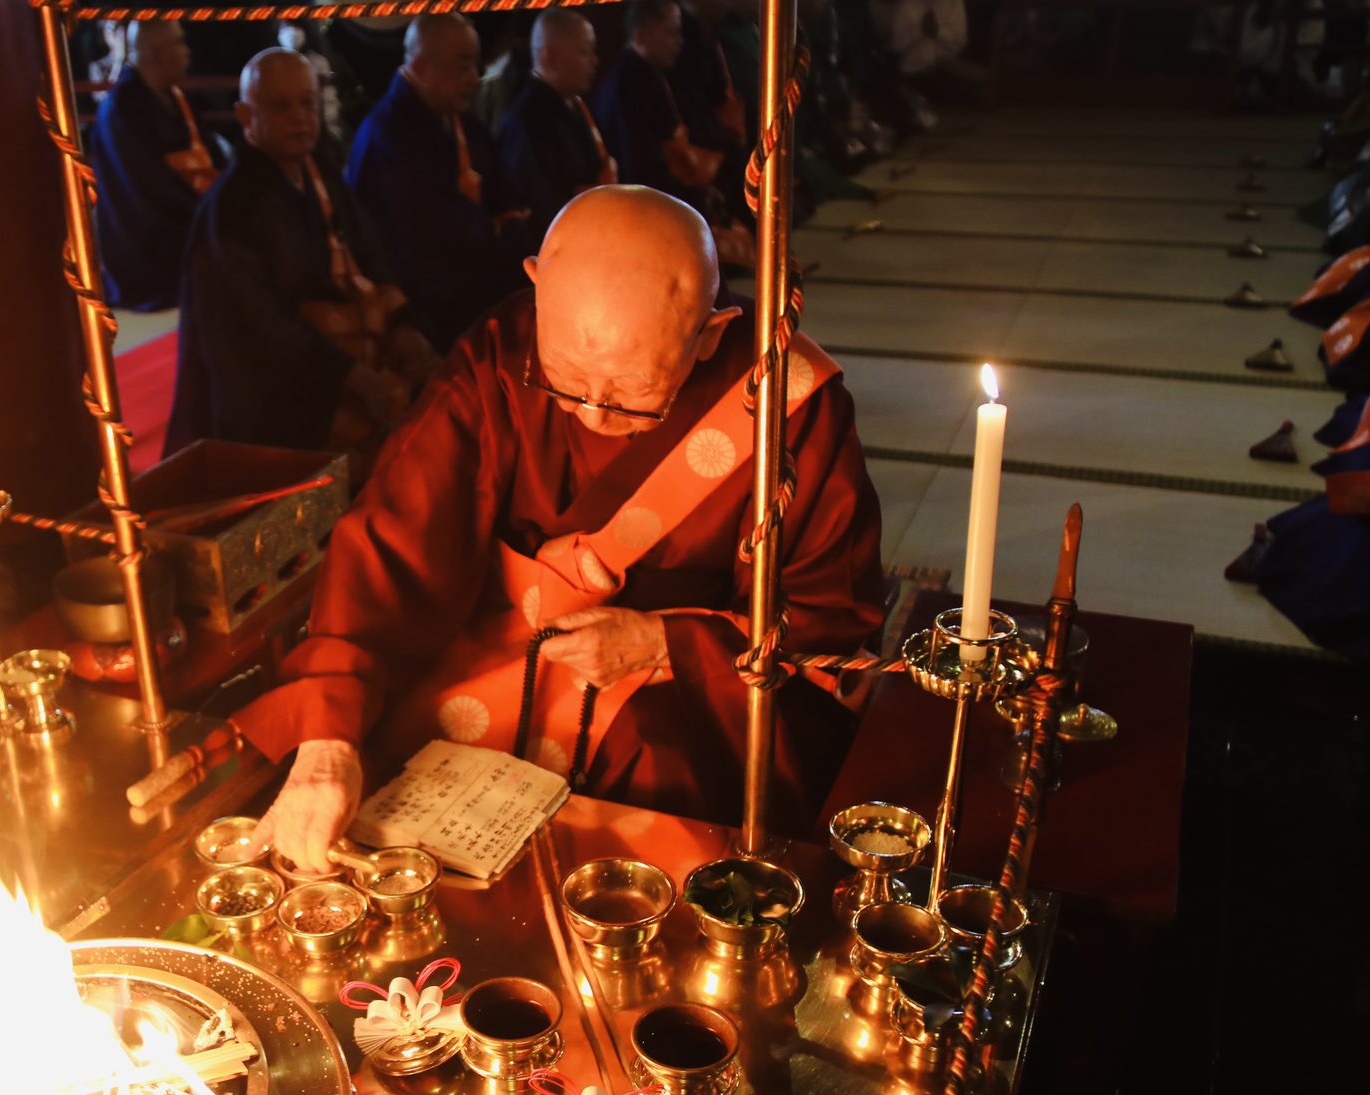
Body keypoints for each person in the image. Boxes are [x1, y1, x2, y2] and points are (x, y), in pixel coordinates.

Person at [236, 187, 885, 873]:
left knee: (666, 787)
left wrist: (662, 643)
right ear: (536, 287)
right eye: (568, 378)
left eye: (635, 388)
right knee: (387, 783)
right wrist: (327, 741)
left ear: (711, 334)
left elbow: (829, 621)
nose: (595, 412)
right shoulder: (498, 359)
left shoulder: (784, 402)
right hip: (501, 652)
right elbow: (393, 540)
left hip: (683, 689)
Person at [168, 49, 438, 469]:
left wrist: (403, 324)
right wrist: (349, 375)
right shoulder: (233, 209)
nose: (300, 117)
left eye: (308, 103)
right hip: (286, 395)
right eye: (280, 106)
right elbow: (257, 328)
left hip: (345, 359)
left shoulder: (319, 173)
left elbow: (370, 252)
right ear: (244, 115)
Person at [345, 14, 528, 350]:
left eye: (476, 64)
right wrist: (494, 231)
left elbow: (510, 200)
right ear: (422, 65)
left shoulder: (459, 121)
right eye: (462, 66)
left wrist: (506, 226)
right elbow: (435, 242)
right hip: (432, 320)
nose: (475, 78)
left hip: (478, 301)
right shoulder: (388, 138)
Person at [593, 0, 753, 264]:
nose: (679, 41)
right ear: (642, 34)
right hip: (640, 208)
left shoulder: (651, 75)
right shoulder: (628, 86)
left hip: (668, 192)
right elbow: (641, 170)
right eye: (670, 32)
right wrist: (691, 196)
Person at [87, 20, 222, 312]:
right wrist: (206, 212)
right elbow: (146, 187)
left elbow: (213, 156)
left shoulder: (177, 97)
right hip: (152, 235)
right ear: (152, 54)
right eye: (179, 42)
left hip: (194, 209)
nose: (187, 50)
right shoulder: (121, 110)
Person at [495, 10, 615, 254]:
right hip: (561, 252)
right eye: (585, 51)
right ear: (549, 58)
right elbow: (546, 208)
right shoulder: (527, 122)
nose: (595, 61)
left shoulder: (574, 104)